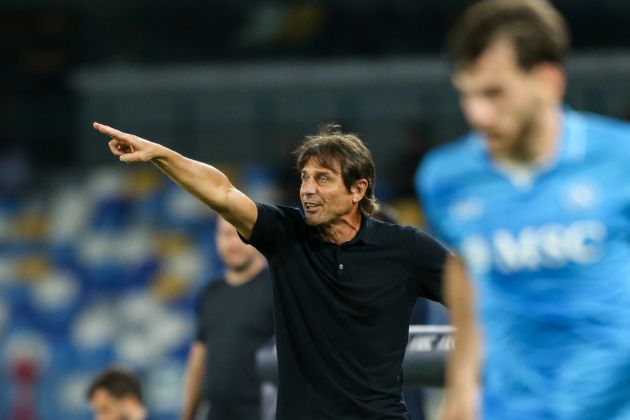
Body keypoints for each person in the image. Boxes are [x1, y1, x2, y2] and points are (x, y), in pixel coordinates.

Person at [94, 121, 447, 419]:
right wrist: (160, 154)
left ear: (358, 190)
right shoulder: (286, 234)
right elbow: (223, 192)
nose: (307, 190)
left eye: (322, 179)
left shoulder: (406, 248)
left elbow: (472, 291)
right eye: (305, 178)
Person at [416, 1, 630, 419]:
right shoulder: (445, 179)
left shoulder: (619, 159)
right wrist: (461, 395)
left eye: (494, 93)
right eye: (467, 95)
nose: (477, 114)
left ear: (548, 81)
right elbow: (465, 274)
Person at [180, 216, 274, 420]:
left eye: (240, 233)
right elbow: (198, 361)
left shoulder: (276, 289)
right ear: (216, 239)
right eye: (225, 234)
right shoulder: (210, 293)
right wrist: (187, 416)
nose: (233, 243)